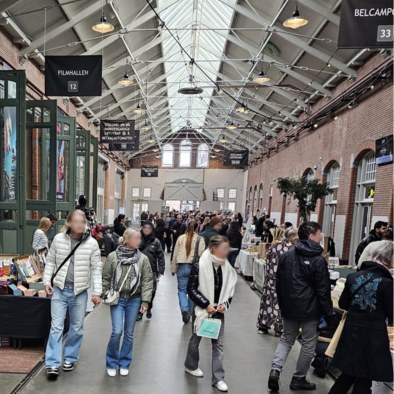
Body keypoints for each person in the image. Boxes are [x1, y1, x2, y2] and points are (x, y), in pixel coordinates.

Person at [268, 221, 334, 392]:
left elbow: (279, 283)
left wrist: (282, 304)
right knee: (308, 344)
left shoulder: (287, 256)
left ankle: (275, 370)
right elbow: (323, 290)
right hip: (310, 310)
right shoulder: (318, 260)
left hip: (290, 307)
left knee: (286, 339)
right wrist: (329, 314)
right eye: (320, 233)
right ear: (312, 236)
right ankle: (298, 379)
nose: (321, 236)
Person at [43, 209, 102, 379]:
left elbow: (96, 269)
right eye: (76, 221)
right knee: (56, 327)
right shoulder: (58, 240)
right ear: (68, 223)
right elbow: (50, 262)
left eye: (82, 222)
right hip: (60, 289)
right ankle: (53, 364)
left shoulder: (91, 243)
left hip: (79, 292)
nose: (79, 225)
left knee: (77, 327)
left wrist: (97, 292)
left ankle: (69, 357)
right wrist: (47, 281)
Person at [329, 241, 393, 394]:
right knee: (365, 377)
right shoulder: (387, 283)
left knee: (349, 374)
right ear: (389, 259)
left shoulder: (353, 277)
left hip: (351, 332)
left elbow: (343, 303)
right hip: (373, 337)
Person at [184, 236, 237, 392]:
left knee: (218, 344)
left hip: (218, 311)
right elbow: (191, 289)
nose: (227, 252)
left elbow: (229, 289)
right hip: (202, 310)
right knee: (196, 339)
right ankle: (190, 365)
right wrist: (205, 304)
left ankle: (218, 379)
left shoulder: (226, 267)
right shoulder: (199, 265)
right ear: (214, 248)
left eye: (228, 249)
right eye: (224, 249)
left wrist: (224, 304)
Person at [102, 228, 154, 377]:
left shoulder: (142, 259)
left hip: (134, 299)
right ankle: (111, 362)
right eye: (136, 238)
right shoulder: (113, 257)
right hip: (118, 299)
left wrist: (145, 302)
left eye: (140, 238)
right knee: (117, 331)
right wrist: (104, 293)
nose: (140, 241)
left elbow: (147, 281)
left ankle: (124, 362)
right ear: (127, 240)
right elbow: (105, 277)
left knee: (129, 333)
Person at [257, 227, 298, 336]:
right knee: (279, 305)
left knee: (267, 303)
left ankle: (263, 326)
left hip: (270, 280)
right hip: (283, 282)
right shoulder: (292, 249)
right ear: (293, 237)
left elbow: (267, 260)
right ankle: (278, 328)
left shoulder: (274, 245)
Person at [171, 221, 205, 324]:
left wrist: (173, 269)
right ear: (197, 227)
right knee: (192, 291)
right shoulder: (200, 239)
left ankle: (184, 310)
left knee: (181, 290)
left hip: (181, 266)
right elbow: (202, 255)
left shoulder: (181, 238)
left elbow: (175, 253)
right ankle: (190, 313)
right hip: (193, 268)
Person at [138, 221, 165, 320]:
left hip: (152, 270)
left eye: (149, 228)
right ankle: (140, 312)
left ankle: (148, 307)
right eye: (145, 227)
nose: (147, 230)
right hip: (139, 270)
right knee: (140, 292)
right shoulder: (138, 239)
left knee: (152, 292)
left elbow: (160, 256)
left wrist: (161, 269)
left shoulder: (156, 241)